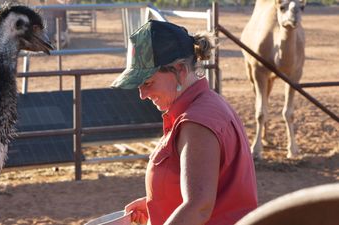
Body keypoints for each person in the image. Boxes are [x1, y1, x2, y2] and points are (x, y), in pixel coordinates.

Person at [111, 20, 258, 225]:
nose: (142, 94)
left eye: (148, 82)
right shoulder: (205, 107)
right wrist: (156, 204)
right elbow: (210, 191)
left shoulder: (196, 123)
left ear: (179, 70)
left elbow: (198, 207)